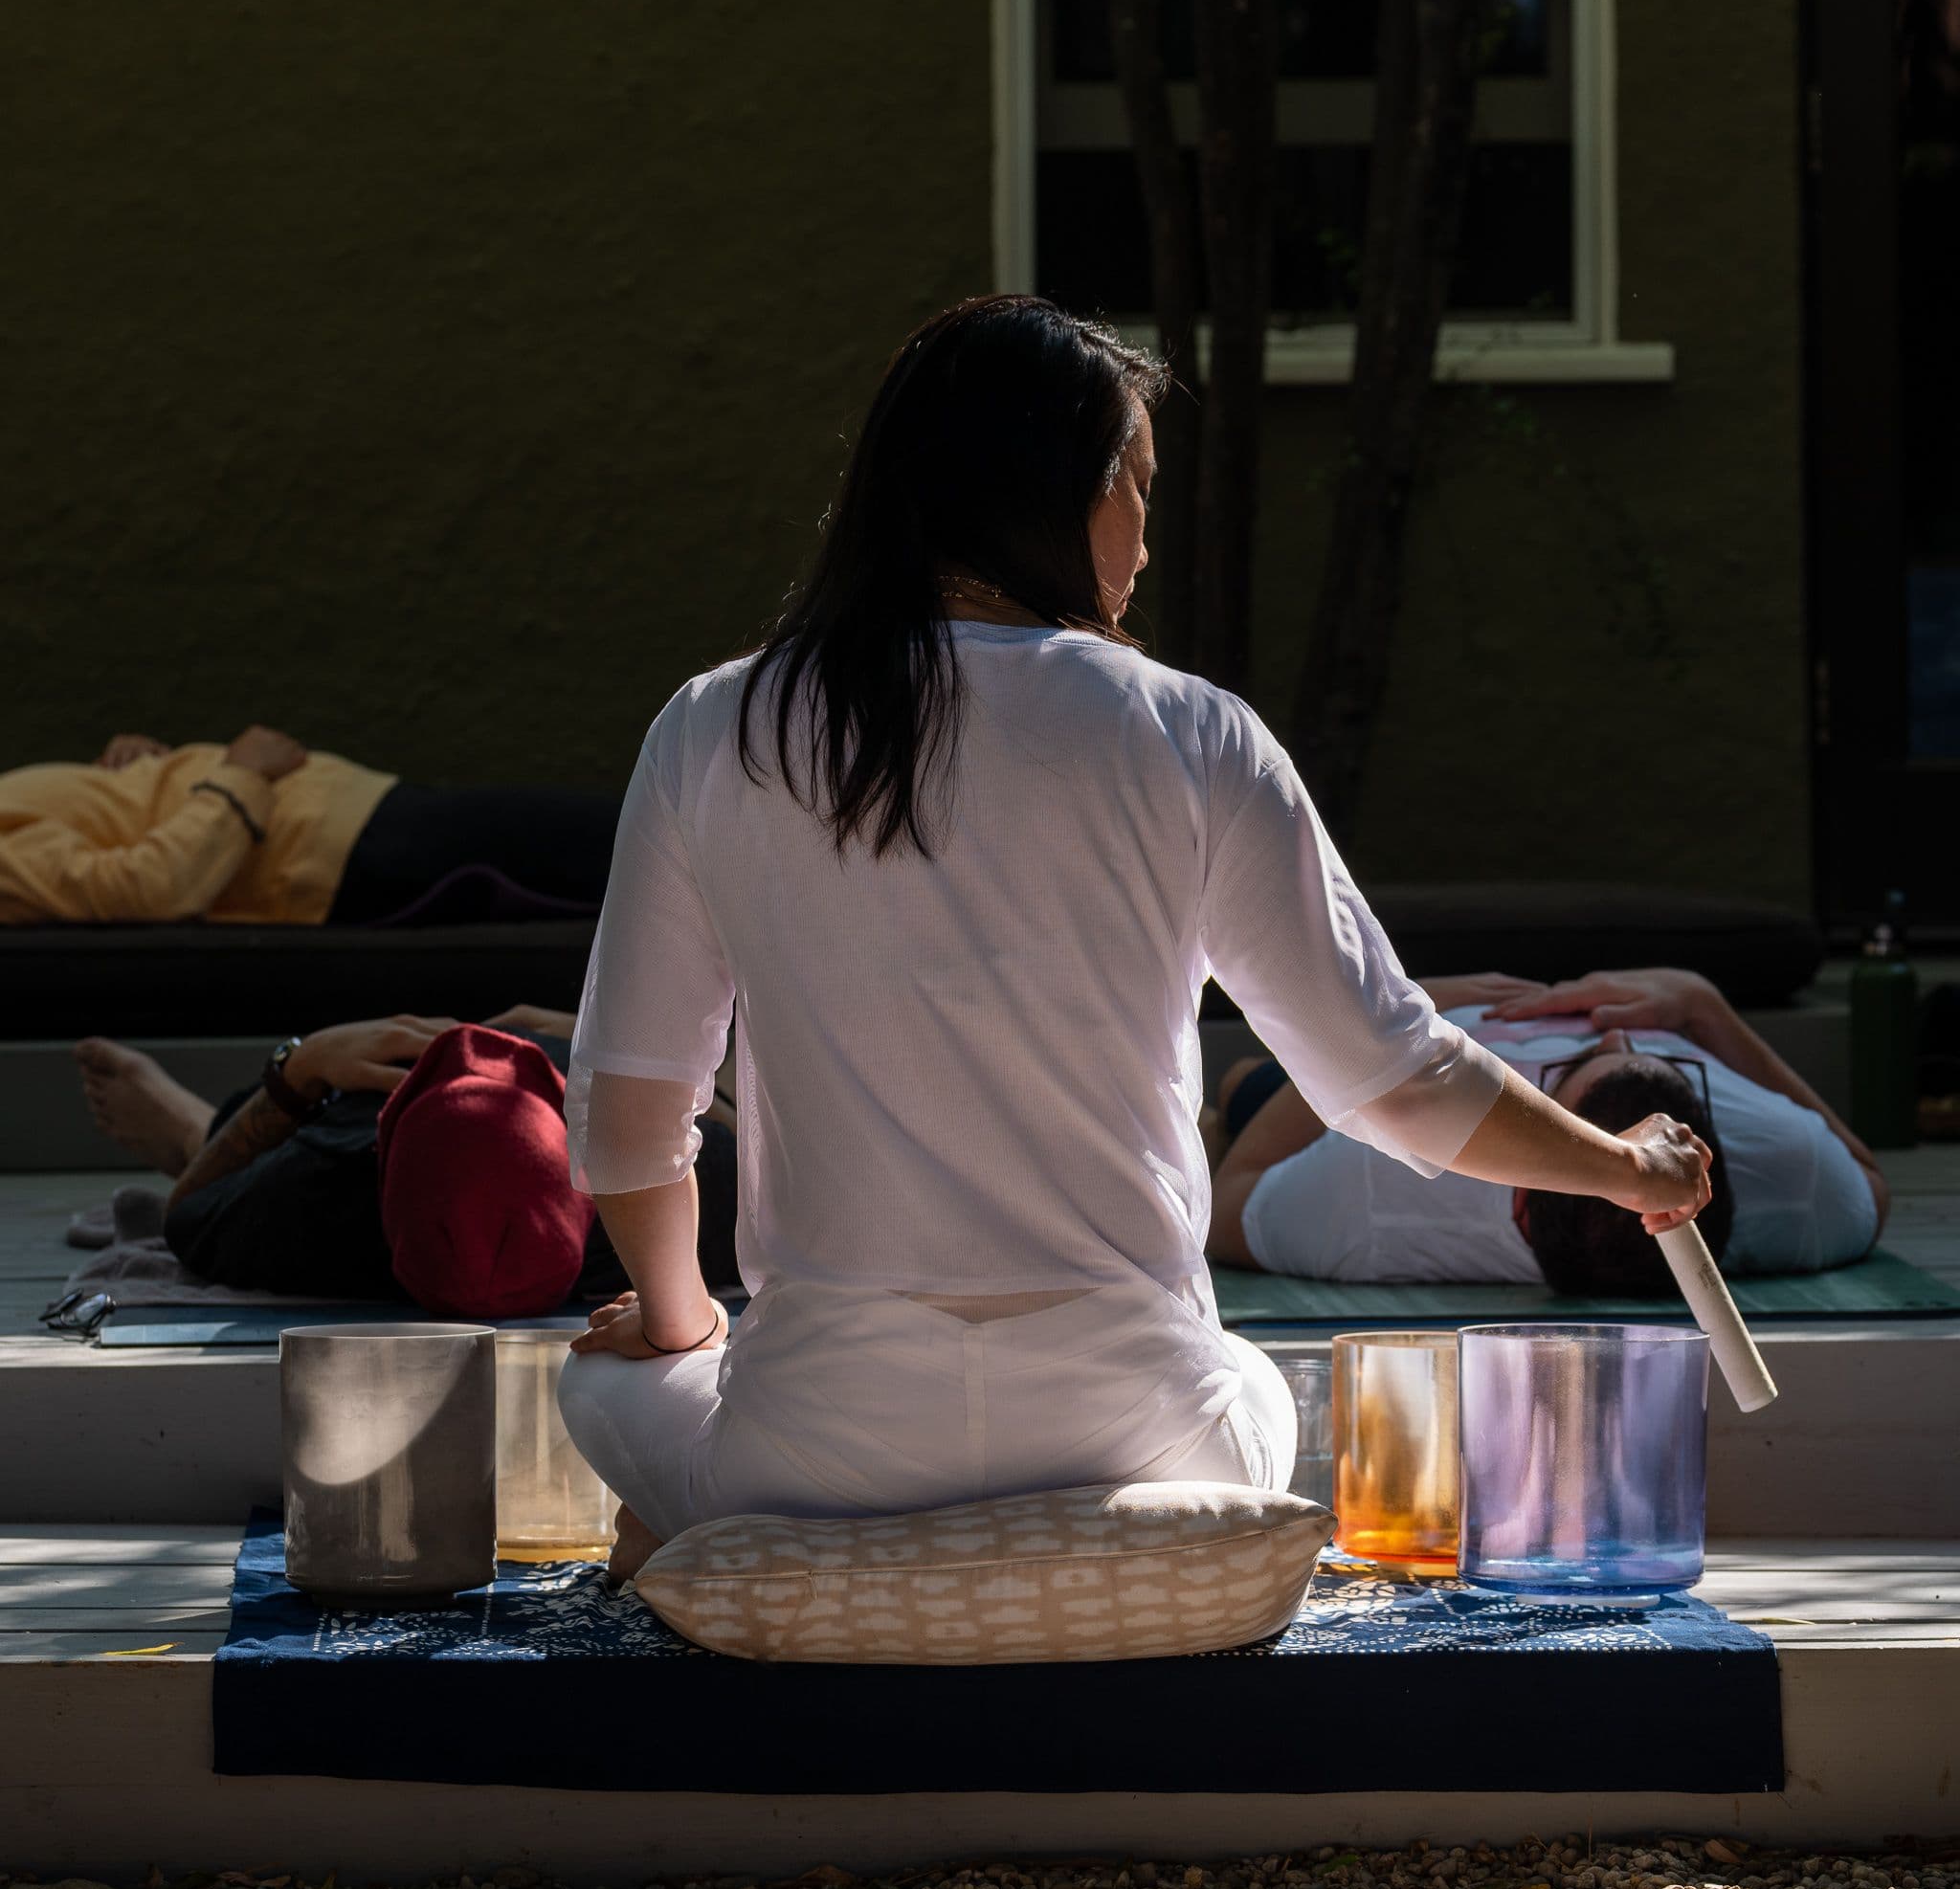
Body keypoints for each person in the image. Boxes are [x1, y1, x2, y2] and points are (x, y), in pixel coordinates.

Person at [555, 296, 1714, 1584]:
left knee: (607, 1377)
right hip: (1150, 1441)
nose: (1147, 542)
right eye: (1140, 488)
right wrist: (1624, 1167)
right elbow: (1396, 1079)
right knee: (1255, 1384)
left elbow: (629, 1115)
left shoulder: (716, 727)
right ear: (1063, 488)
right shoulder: (1194, 734)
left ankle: (711, 1530)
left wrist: (681, 1326)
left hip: (818, 1456)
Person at [1207, 967, 1888, 1291]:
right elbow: (1870, 1181)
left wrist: (1393, 1020)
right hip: (1617, 1005)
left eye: (1571, 1070)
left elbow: (1231, 1197)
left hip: (1418, 1050)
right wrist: (1702, 1009)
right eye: (1649, 1055)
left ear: (1522, 1201)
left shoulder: (1373, 1190)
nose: (1612, 1033)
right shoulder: (1796, 1183)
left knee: (1241, 1090)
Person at [72, 1014, 740, 1310]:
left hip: (351, 1140)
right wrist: (608, 1044)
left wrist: (295, 1070)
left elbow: (189, 1207)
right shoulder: (694, 1215)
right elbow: (757, 1139)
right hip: (595, 1085)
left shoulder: (318, 1201)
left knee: (289, 1121)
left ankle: (197, 1127)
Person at [0, 725, 617, 924]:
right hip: (332, 848)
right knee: (626, 842)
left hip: (341, 825)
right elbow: (147, 888)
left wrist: (138, 779)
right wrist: (241, 774)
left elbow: (108, 852)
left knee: (620, 840)